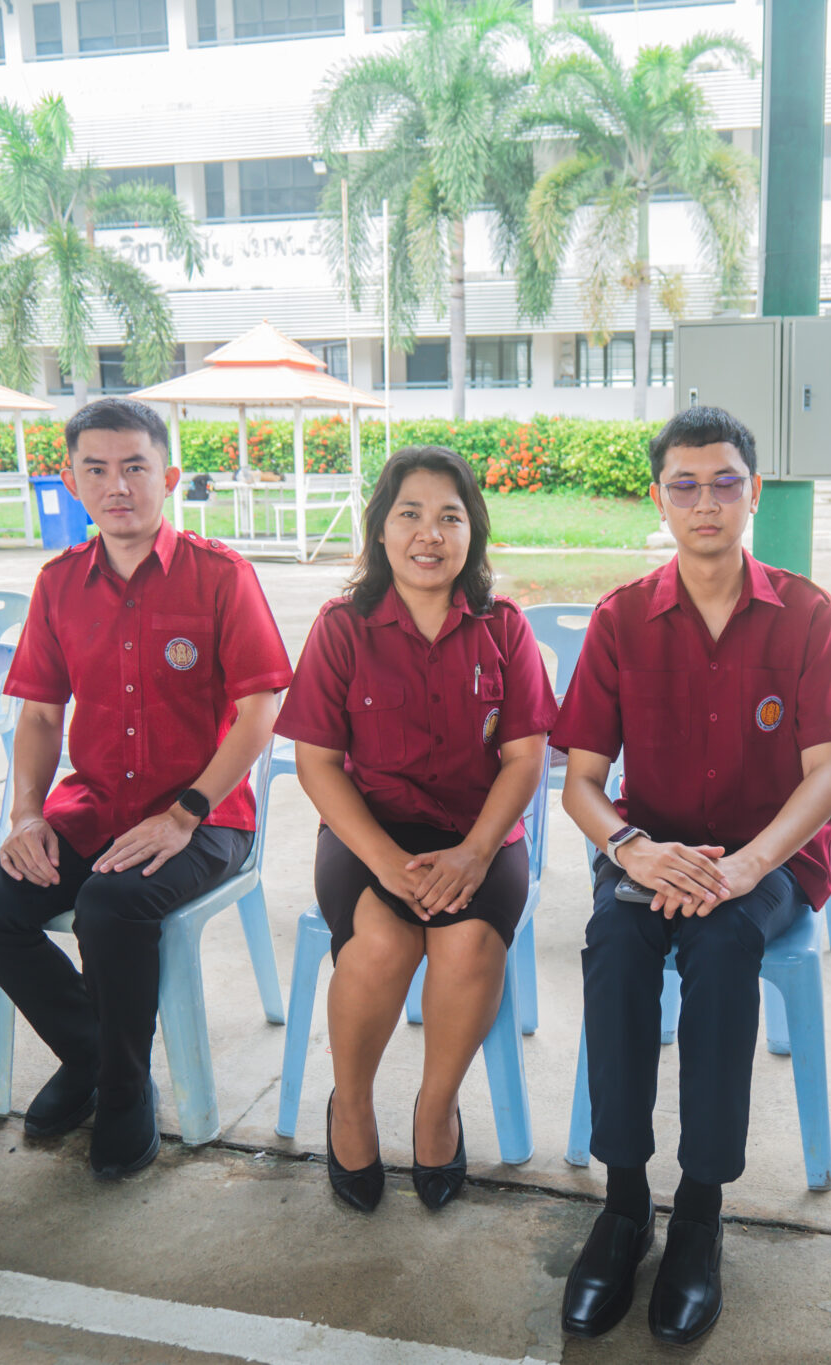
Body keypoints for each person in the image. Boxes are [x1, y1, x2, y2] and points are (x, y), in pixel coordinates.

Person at [550, 406, 831, 1347]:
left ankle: (699, 1208)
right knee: (615, 936)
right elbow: (579, 781)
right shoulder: (620, 619)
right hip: (652, 850)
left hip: (766, 856)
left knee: (725, 943)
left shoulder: (805, 614)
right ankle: (623, 1202)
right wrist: (630, 849)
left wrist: (745, 868)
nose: (706, 502)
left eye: (725, 482)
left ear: (753, 492)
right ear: (659, 498)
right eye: (684, 485)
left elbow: (828, 775)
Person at [0, 398, 292, 1180]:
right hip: (93, 806)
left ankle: (123, 1090)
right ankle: (95, 1057)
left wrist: (185, 813)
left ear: (169, 476)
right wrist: (24, 815)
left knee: (110, 905)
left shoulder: (220, 574)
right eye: (96, 469)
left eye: (136, 466)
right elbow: (40, 714)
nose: (118, 485)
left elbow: (260, 710)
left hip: (206, 816)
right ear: (70, 482)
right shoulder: (58, 583)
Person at [273, 447, 558, 1214]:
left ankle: (437, 1110)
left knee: (467, 944)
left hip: (481, 831)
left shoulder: (504, 628)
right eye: (410, 514)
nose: (429, 534)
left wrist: (474, 853)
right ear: (380, 529)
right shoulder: (342, 628)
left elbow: (525, 757)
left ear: (473, 533)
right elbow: (317, 762)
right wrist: (389, 862)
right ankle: (352, 1107)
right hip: (367, 829)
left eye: (449, 517)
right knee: (382, 945)